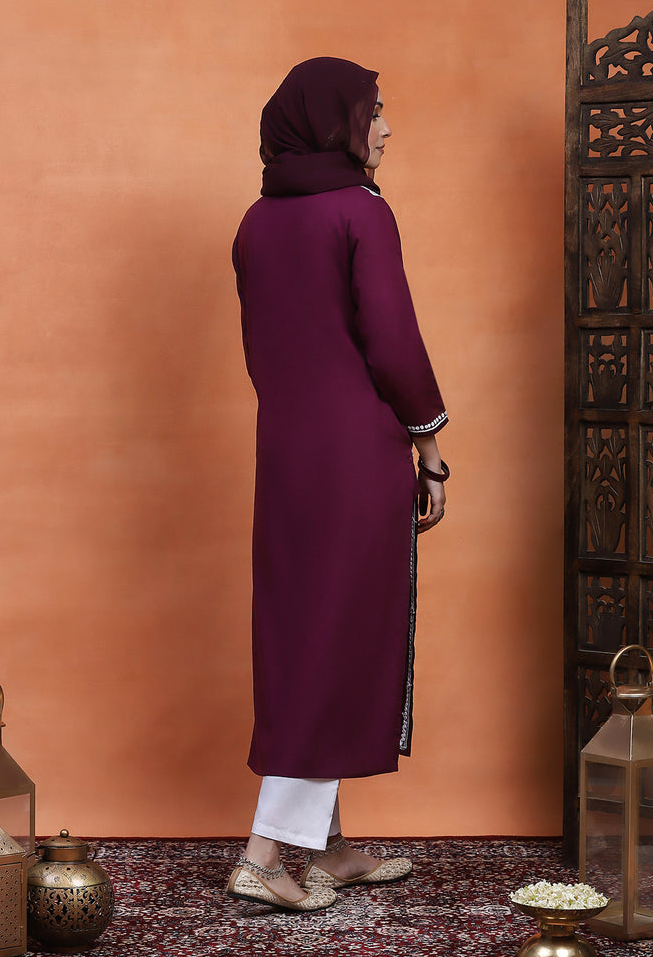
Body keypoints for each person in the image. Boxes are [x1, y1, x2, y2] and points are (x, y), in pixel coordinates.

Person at [227, 57, 449, 912]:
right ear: (333, 123)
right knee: (333, 636)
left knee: (307, 631)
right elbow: (392, 341)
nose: (385, 127)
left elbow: (267, 352)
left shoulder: (256, 222)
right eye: (373, 111)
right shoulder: (361, 210)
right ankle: (263, 857)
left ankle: (328, 846)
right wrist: (429, 443)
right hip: (354, 457)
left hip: (285, 451)